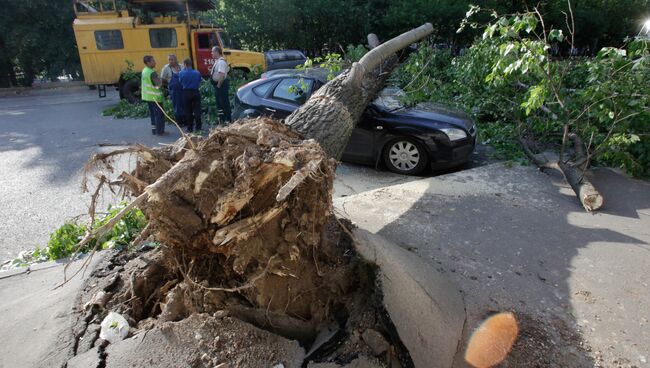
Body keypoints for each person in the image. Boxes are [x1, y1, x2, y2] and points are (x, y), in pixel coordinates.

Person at [141, 55, 165, 135]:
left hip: (148, 97)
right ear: (148, 62)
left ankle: (154, 130)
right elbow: (158, 84)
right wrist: (162, 80)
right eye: (153, 61)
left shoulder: (144, 70)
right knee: (159, 115)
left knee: (153, 115)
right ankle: (160, 131)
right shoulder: (152, 73)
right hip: (155, 98)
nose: (155, 62)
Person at [179, 58, 202, 133]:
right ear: (191, 64)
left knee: (188, 111)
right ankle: (198, 127)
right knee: (197, 110)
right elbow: (199, 81)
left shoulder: (181, 73)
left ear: (185, 64)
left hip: (186, 92)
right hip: (195, 92)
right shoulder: (197, 72)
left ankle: (190, 128)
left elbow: (180, 82)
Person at [161, 54, 184, 127]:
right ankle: (179, 122)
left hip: (183, 89)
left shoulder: (182, 66)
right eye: (169, 60)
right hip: (174, 90)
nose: (170, 61)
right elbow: (162, 79)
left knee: (184, 105)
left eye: (172, 59)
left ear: (176, 60)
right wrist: (168, 86)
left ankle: (185, 120)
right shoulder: (166, 68)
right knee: (176, 106)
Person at [210, 46, 231, 123]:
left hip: (221, 86)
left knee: (223, 103)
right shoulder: (218, 61)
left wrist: (218, 86)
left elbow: (221, 75)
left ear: (216, 52)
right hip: (219, 85)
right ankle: (222, 119)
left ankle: (226, 120)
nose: (211, 53)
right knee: (219, 103)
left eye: (212, 52)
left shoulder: (221, 62)